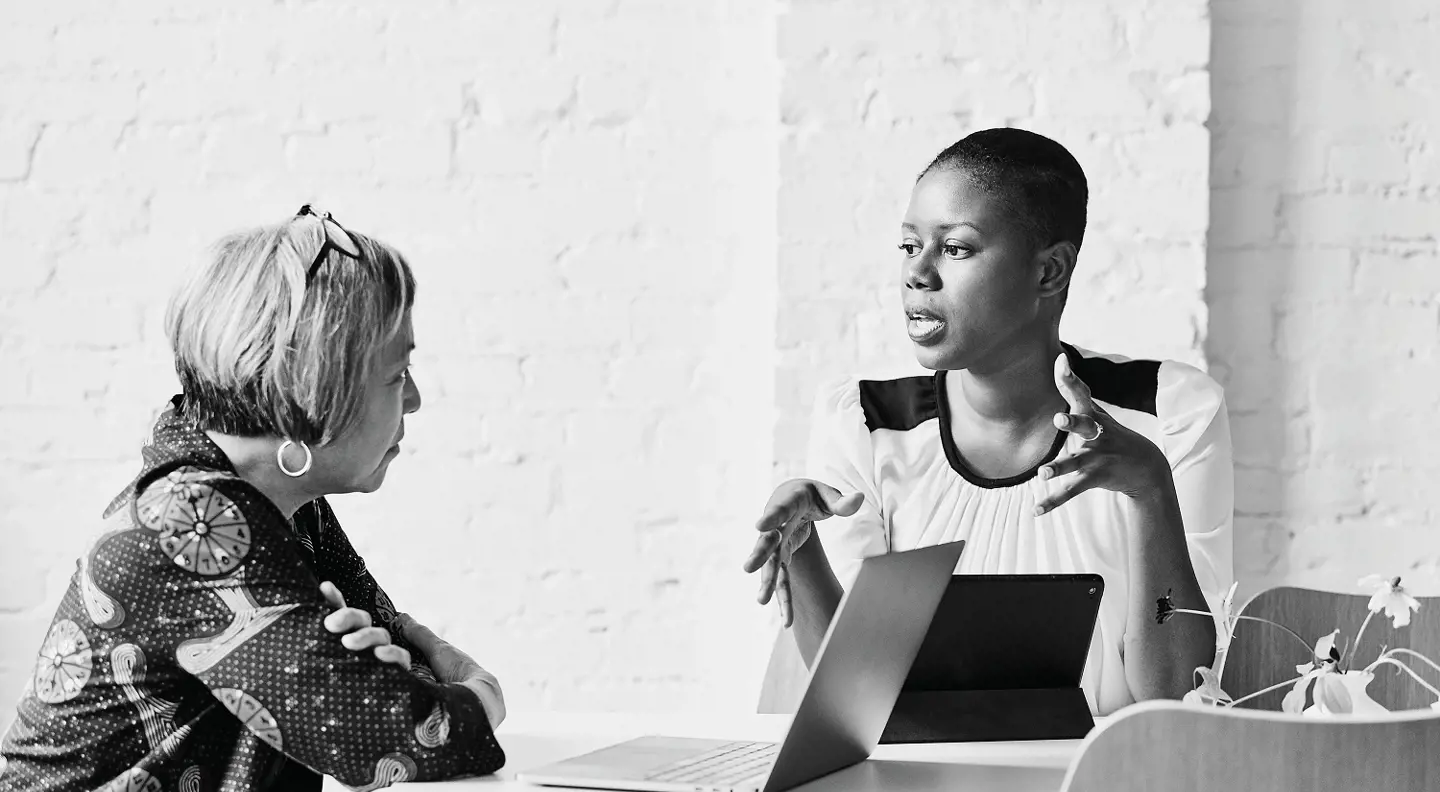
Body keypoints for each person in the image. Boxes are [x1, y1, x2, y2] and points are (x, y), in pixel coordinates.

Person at [0, 207, 506, 791]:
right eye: (397, 375)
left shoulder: (280, 502)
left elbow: (395, 663)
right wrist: (479, 691)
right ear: (314, 390)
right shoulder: (192, 520)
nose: (414, 400)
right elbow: (402, 735)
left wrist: (393, 688)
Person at [743, 129, 1233, 715]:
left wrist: (1150, 487)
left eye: (954, 249)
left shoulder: (1169, 413)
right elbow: (858, 704)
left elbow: (1178, 698)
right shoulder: (867, 426)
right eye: (908, 246)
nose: (917, 274)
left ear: (1050, 272)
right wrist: (802, 552)